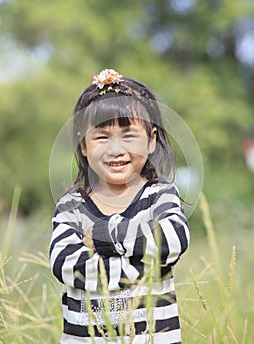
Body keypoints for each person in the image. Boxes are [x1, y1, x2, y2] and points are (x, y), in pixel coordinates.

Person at [49, 68, 190, 344]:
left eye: (128, 135)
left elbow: (172, 241)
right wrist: (140, 260)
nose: (115, 149)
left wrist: (103, 234)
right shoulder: (71, 207)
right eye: (102, 137)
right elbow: (66, 264)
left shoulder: (160, 196)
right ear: (83, 145)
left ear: (151, 140)